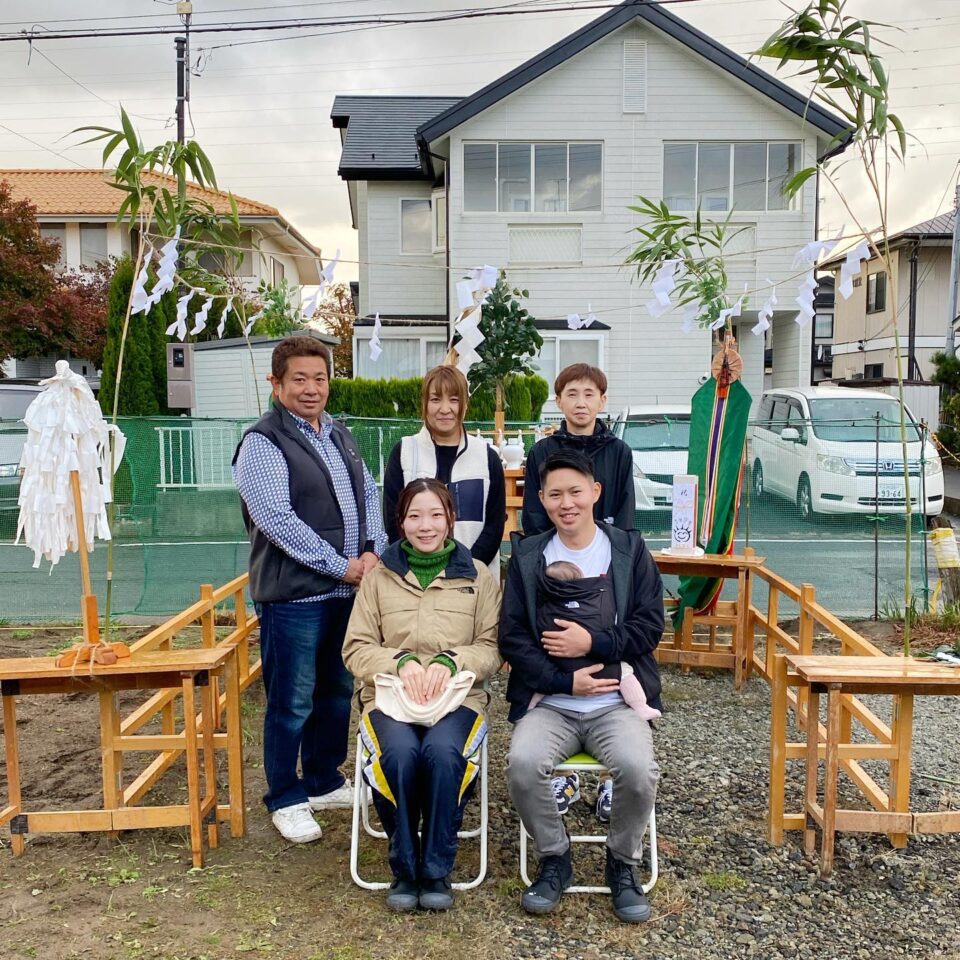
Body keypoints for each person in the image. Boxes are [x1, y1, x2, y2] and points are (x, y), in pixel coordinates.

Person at [232, 335, 387, 844]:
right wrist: (341, 565)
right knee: (291, 699)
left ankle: (322, 779)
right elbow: (276, 520)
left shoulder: (338, 434)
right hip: (295, 595)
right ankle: (285, 796)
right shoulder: (263, 442)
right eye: (299, 378)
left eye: (319, 378)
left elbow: (368, 496)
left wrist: (371, 552)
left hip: (347, 592)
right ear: (276, 384)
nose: (311, 387)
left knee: (336, 690)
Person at [499, 451, 663, 923]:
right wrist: (562, 678)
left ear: (595, 492)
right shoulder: (530, 556)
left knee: (636, 768)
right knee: (524, 764)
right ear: (542, 500)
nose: (565, 503)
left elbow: (650, 626)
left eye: (575, 491)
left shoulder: (627, 550)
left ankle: (623, 863)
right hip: (551, 702)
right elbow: (512, 636)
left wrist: (594, 641)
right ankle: (555, 858)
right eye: (554, 494)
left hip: (615, 702)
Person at [343, 478, 502, 912]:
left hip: (458, 700)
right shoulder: (378, 579)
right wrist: (400, 663)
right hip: (388, 698)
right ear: (401, 521)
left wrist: (452, 661)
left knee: (442, 754)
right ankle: (404, 866)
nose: (425, 525)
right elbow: (355, 648)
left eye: (436, 515)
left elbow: (493, 648)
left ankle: (435, 870)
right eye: (415, 515)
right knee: (399, 756)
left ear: (450, 519)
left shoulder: (478, 577)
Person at [383, 365, 506, 576]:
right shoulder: (404, 452)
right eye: (436, 399)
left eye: (454, 400)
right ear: (424, 404)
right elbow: (394, 521)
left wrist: (465, 569)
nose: (445, 408)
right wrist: (421, 570)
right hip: (416, 580)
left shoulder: (486, 456)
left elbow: (494, 526)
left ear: (465, 405)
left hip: (474, 579)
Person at [521, 363, 635, 536]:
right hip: (554, 555)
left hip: (607, 553)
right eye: (572, 394)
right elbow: (533, 513)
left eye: (589, 395)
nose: (581, 403)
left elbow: (625, 512)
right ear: (559, 401)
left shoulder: (619, 452)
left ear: (602, 401)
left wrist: (615, 550)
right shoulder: (541, 452)